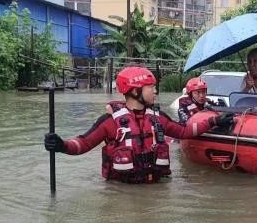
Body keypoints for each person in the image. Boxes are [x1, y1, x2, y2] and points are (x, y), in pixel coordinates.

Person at [44, 66, 234, 184]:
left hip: (156, 190)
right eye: (151, 87)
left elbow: (184, 131)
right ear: (135, 91)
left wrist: (214, 121)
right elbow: (83, 144)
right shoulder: (110, 122)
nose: (155, 91)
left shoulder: (158, 117)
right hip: (121, 194)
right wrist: (61, 145)